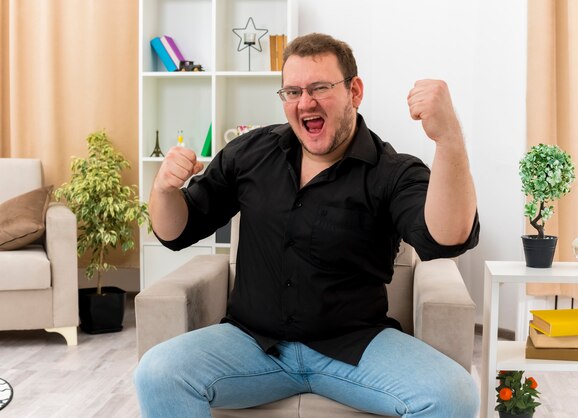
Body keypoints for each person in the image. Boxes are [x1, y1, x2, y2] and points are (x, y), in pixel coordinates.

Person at [135, 32, 480, 418]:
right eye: (292, 92)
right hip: (252, 344)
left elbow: (447, 238)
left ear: (355, 91)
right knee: (157, 371)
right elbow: (176, 232)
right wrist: (165, 189)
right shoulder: (249, 154)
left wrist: (448, 137)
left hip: (356, 347)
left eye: (319, 88)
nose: (305, 102)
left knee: (454, 395)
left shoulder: (392, 171)